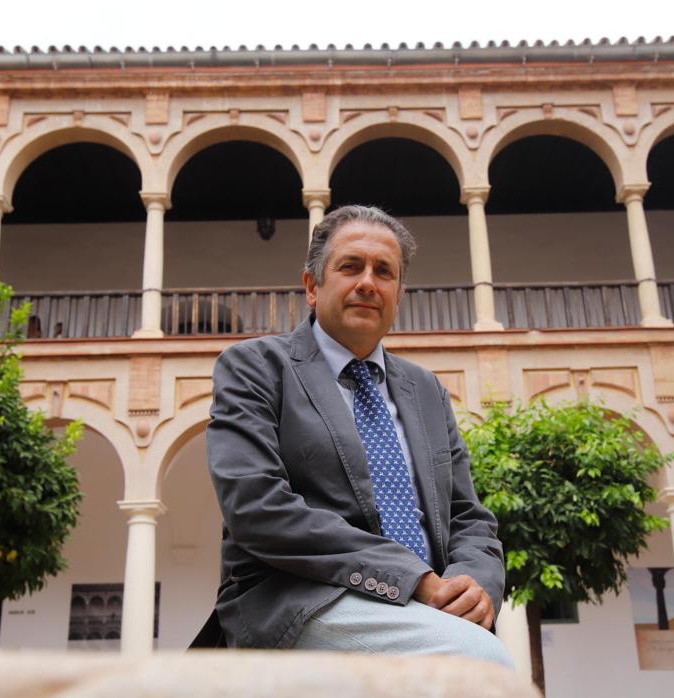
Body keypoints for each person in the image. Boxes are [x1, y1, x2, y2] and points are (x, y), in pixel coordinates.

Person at [205, 204, 512, 666]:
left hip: (428, 608)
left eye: (384, 272)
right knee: (478, 660)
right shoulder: (257, 367)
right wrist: (413, 578)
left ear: (398, 293)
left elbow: (467, 515)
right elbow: (257, 507)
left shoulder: (425, 389)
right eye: (351, 266)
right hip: (304, 600)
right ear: (312, 286)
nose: (368, 282)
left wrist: (475, 583)